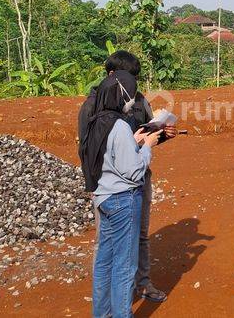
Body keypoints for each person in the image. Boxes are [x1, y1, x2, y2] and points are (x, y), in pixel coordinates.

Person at [78, 50, 176, 303]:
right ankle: (114, 297)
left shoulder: (139, 101)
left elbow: (146, 133)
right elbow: (88, 149)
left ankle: (142, 284)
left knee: (140, 235)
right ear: (113, 75)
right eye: (130, 78)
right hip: (113, 185)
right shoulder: (91, 106)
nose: (134, 87)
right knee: (107, 247)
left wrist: (162, 134)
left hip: (138, 176)